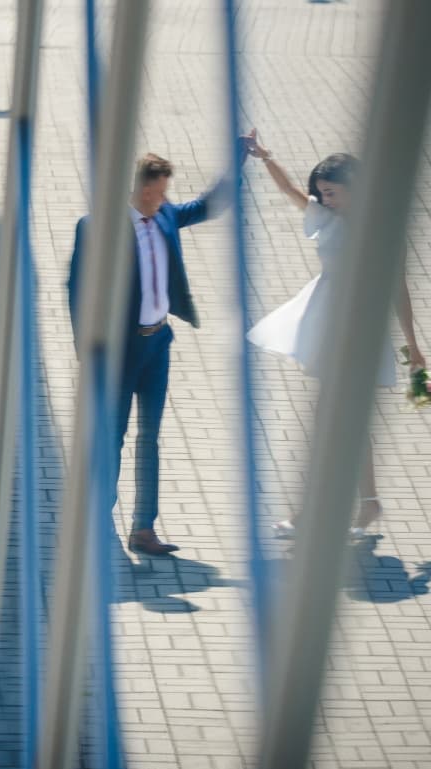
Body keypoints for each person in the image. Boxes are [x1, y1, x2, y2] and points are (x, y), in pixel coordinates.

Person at [68, 136, 253, 556]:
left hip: (157, 347)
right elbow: (77, 288)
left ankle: (143, 529)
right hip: (117, 353)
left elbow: (209, 205)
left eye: (164, 193)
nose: (161, 201)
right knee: (111, 437)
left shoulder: (166, 214)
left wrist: (238, 159)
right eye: (153, 194)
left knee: (149, 437)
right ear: (133, 190)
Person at [246, 142, 425, 535]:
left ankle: (318, 511)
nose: (324, 198)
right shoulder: (326, 216)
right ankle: (366, 504)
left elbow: (398, 287)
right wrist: (266, 158)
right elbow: (291, 190)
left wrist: (413, 346)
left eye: (332, 192)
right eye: (322, 192)